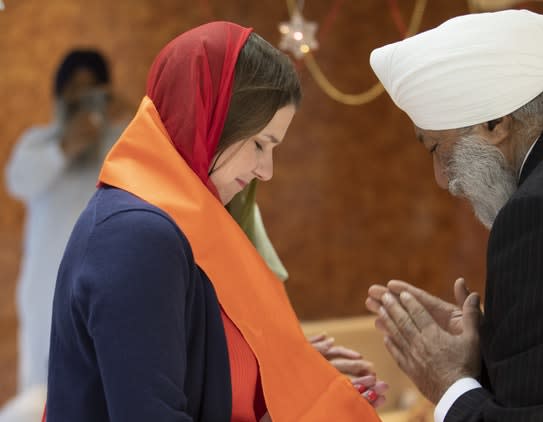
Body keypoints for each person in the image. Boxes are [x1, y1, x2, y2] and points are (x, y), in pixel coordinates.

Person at [45, 22, 386, 421]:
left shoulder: (161, 223)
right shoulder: (136, 235)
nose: (266, 170)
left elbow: (188, 371)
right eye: (260, 144)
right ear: (208, 118)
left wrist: (279, 375)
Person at [365, 9, 543, 422]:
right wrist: (492, 353)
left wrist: (447, 382)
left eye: (437, 148)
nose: (443, 179)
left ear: (495, 123)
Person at [2, 50, 124, 422]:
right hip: (44, 289)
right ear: (59, 96)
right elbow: (18, 182)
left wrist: (124, 112)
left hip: (106, 283)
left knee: (104, 383)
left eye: (93, 91)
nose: (84, 101)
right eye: (75, 93)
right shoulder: (39, 142)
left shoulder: (120, 139)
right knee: (41, 391)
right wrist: (65, 146)